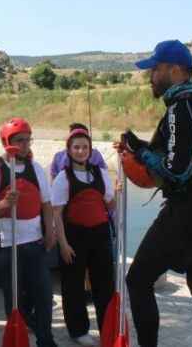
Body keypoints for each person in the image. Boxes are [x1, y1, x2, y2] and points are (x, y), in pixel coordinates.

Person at [119, 40, 192, 347]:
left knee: (137, 281)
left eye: (155, 69)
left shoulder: (181, 110)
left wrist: (140, 152)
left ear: (175, 70)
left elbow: (176, 169)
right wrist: (142, 146)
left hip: (184, 213)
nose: (150, 76)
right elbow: (191, 156)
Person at [0, 118, 57, 347]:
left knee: (44, 295)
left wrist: (50, 232)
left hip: (34, 242)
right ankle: (20, 334)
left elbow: (47, 204)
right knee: (15, 300)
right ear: (7, 142)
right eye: (19, 140)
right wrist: (4, 204)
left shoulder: (36, 168)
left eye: (28, 140)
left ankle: (45, 340)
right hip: (5, 245)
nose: (25, 145)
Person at [52, 128, 115, 346]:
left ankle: (108, 327)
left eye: (85, 147)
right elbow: (57, 214)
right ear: (69, 150)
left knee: (105, 285)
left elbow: (110, 205)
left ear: (90, 150)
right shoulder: (63, 177)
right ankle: (78, 331)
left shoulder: (101, 173)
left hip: (100, 235)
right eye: (76, 147)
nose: (81, 151)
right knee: (73, 286)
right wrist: (63, 244)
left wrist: (118, 192)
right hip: (74, 236)